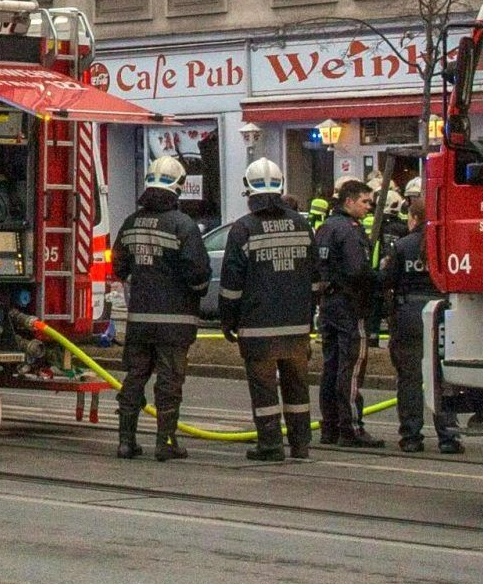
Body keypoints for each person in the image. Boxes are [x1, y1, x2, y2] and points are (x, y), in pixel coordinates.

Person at [107, 157, 214, 459]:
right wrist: (194, 292)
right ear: (179, 186)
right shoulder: (183, 225)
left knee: (135, 376)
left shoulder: (130, 222)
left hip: (139, 318)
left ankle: (126, 441)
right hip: (175, 320)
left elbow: (118, 267)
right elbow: (198, 273)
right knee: (169, 380)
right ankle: (165, 442)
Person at [213, 156, 319, 462]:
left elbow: (232, 284)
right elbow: (315, 279)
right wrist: (309, 316)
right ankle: (301, 446)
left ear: (248, 191)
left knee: (264, 390)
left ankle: (270, 445)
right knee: (297, 388)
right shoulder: (302, 224)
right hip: (297, 327)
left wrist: (227, 322)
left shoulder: (243, 228)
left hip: (258, 328)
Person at [381, 188, 456, 453]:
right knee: (443, 379)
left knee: (410, 380)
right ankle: (449, 436)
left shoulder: (402, 246)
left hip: (409, 317)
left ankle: (411, 437)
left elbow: (387, 280)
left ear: (413, 217)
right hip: (441, 316)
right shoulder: (445, 243)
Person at [312, 177, 380, 447]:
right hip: (350, 305)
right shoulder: (350, 231)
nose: (368, 208)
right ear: (349, 201)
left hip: (328, 305)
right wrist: (379, 279)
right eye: (364, 202)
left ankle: (329, 426)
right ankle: (351, 428)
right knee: (350, 369)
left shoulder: (325, 228)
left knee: (330, 367)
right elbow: (357, 270)